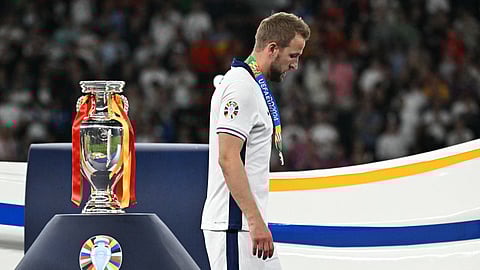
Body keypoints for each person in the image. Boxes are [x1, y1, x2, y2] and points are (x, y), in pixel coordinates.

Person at [201, 12, 310, 270]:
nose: (295, 65)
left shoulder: (251, 85)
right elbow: (228, 158)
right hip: (234, 225)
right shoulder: (241, 88)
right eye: (293, 55)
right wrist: (254, 221)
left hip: (244, 225)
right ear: (272, 49)